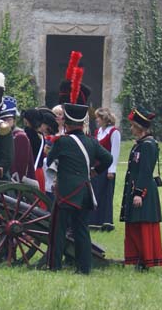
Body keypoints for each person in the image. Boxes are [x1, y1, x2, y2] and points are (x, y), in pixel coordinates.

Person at [45, 71, 112, 274]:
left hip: (65, 193)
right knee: (82, 230)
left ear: (66, 122)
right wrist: (94, 171)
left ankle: (55, 265)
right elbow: (107, 159)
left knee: (58, 230)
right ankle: (84, 268)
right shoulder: (91, 141)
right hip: (83, 192)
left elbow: (49, 160)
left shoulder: (63, 141)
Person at [120, 108, 162, 271]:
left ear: (140, 127)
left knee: (143, 225)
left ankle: (146, 260)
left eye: (132, 126)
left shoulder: (148, 145)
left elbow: (145, 171)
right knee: (135, 225)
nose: (130, 129)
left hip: (142, 191)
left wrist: (139, 193)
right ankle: (138, 258)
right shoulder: (141, 144)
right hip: (135, 189)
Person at [89, 107, 121, 231]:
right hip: (97, 168)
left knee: (105, 195)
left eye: (99, 118)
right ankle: (94, 221)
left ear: (105, 119)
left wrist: (111, 170)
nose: (97, 120)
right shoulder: (98, 132)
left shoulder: (114, 132)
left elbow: (115, 152)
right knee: (96, 193)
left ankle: (105, 221)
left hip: (107, 169)